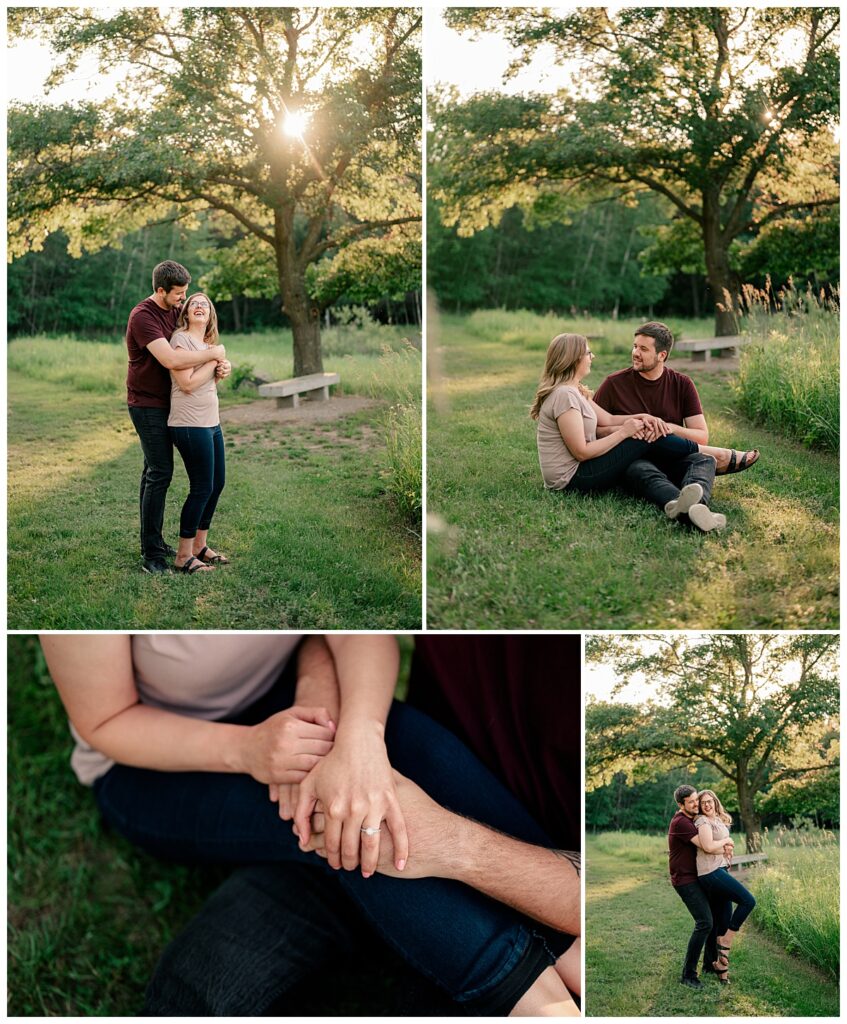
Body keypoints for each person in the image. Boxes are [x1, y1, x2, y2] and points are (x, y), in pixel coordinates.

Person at [41, 635, 576, 1017]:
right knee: (344, 825)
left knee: (400, 753)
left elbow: (351, 634)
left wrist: (361, 740)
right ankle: (540, 999)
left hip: (280, 702)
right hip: (151, 762)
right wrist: (247, 750)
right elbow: (105, 721)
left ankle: (567, 930)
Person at [531, 332, 725, 531]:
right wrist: (624, 432)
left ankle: (687, 509)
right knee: (640, 438)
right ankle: (709, 452)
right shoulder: (565, 395)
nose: (593, 356)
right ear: (573, 358)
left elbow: (609, 419)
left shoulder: (576, 391)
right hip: (571, 479)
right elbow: (581, 452)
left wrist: (643, 417)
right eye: (588, 352)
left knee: (642, 430)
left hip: (583, 469)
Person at [593, 321, 759, 528]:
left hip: (674, 459)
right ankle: (695, 510)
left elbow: (701, 436)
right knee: (638, 470)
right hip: (637, 460)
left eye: (643, 349)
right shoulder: (614, 384)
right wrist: (629, 430)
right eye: (635, 346)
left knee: (705, 460)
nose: (635, 352)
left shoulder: (682, 384)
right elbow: (595, 430)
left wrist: (670, 428)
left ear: (662, 355)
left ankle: (689, 508)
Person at [126, 261, 232, 575]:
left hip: (173, 404)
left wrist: (219, 364)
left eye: (186, 294)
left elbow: (195, 346)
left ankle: (173, 546)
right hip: (147, 404)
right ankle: (152, 553)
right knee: (159, 473)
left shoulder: (177, 309)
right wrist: (215, 355)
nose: (184, 300)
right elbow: (172, 359)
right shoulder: (143, 316)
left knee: (158, 473)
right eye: (179, 295)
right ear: (160, 290)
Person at [167, 293, 229, 574]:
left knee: (217, 484)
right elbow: (187, 383)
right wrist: (214, 359)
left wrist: (221, 367)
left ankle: (199, 547)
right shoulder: (180, 339)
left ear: (211, 314)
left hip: (211, 422)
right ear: (186, 313)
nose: (200, 306)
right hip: (189, 424)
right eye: (194, 303)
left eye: (205, 303)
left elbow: (206, 380)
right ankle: (183, 556)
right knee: (201, 487)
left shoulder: (207, 346)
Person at [668, 784, 734, 990]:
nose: (696, 804)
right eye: (691, 802)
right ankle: (688, 974)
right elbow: (709, 847)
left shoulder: (692, 819)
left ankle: (708, 964)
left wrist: (724, 845)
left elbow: (714, 844)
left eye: (697, 800)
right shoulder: (682, 823)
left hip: (699, 877)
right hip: (685, 880)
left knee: (714, 921)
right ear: (681, 804)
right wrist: (727, 841)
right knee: (704, 922)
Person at [694, 789, 756, 984]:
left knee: (722, 920)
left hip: (720, 869)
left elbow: (719, 846)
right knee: (748, 900)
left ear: (715, 801)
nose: (707, 804)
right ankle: (728, 939)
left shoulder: (719, 820)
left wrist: (727, 848)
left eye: (709, 801)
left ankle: (721, 970)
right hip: (711, 872)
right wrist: (727, 841)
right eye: (703, 802)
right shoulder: (702, 822)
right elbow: (707, 846)